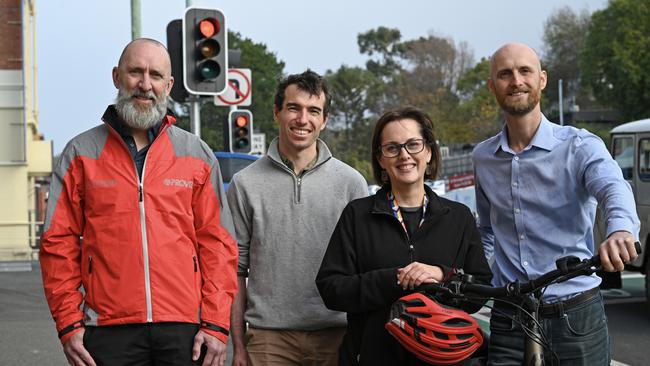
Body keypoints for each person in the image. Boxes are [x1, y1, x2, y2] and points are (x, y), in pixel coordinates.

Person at [40, 38, 238, 366]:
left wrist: (216, 325)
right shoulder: (80, 154)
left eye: (156, 75)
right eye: (136, 72)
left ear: (169, 85)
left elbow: (218, 245)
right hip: (107, 330)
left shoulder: (196, 155)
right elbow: (57, 244)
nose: (145, 85)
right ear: (117, 77)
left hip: (184, 330)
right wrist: (68, 324)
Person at [473, 42, 641, 365]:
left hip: (576, 315)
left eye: (525, 71)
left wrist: (620, 230)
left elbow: (613, 187)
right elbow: (486, 230)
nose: (516, 80)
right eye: (505, 74)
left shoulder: (580, 146)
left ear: (542, 80)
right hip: (510, 315)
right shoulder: (483, 157)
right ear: (492, 86)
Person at [316, 106, 492, 365]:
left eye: (413, 144)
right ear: (380, 159)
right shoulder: (357, 215)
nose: (404, 155)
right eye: (393, 148)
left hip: (443, 361)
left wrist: (442, 275)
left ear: (429, 151)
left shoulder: (459, 217)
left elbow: (481, 288)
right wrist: (393, 279)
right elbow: (331, 289)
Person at [227, 70, 368, 366]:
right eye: (294, 108)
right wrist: (238, 346)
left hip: (336, 334)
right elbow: (235, 270)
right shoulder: (245, 184)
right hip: (268, 340)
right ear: (277, 111)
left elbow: (365, 268)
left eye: (313, 110)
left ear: (324, 120)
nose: (303, 119)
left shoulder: (351, 183)